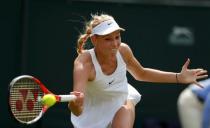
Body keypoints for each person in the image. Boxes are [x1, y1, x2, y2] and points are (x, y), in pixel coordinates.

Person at [68, 13, 208, 128]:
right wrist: (76, 103)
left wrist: (178, 77)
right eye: (108, 39)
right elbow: (77, 109)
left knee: (124, 111)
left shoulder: (123, 50)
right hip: (92, 114)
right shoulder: (83, 64)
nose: (115, 44)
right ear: (94, 40)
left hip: (122, 100)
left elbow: (141, 73)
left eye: (117, 37)